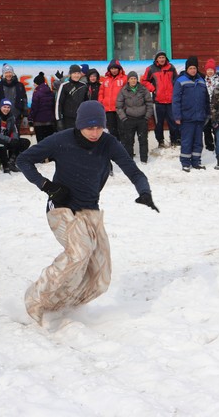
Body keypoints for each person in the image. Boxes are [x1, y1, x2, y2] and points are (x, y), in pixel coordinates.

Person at [15, 100, 159, 325]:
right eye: (89, 128)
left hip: (90, 210)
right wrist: (46, 186)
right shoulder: (61, 140)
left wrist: (144, 191)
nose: (95, 133)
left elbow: (133, 171)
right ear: (80, 125)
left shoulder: (108, 143)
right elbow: (23, 160)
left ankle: (63, 306)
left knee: (101, 276)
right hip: (62, 208)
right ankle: (36, 297)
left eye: (99, 127)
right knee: (80, 252)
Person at [172, 57, 210, 172]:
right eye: (191, 68)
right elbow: (176, 100)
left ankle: (196, 161)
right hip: (186, 117)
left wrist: (207, 113)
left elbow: (206, 99)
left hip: (200, 117)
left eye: (194, 68)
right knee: (187, 141)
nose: (193, 70)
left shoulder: (201, 81)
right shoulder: (180, 81)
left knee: (198, 141)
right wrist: (177, 116)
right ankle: (185, 163)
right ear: (187, 69)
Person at [142, 50, 180, 148]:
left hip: (171, 101)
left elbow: (177, 80)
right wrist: (153, 89)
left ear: (165, 58)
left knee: (173, 122)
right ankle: (161, 142)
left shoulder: (171, 68)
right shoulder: (151, 69)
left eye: (163, 57)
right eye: (160, 57)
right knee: (158, 123)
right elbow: (144, 81)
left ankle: (174, 141)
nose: (162, 59)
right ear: (156, 59)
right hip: (158, 101)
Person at [116, 71, 154, 163]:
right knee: (129, 141)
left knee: (143, 140)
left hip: (142, 119)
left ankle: (144, 160)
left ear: (137, 80)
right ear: (128, 80)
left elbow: (149, 103)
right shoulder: (123, 90)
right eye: (131, 79)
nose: (133, 80)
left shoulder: (143, 89)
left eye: (135, 78)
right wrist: (124, 118)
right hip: (129, 119)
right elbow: (118, 106)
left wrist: (147, 117)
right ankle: (129, 160)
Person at [0, 99, 30, 172]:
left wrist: (14, 139)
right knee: (2, 143)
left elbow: (14, 130)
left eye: (8, 107)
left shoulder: (11, 117)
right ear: (0, 107)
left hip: (5, 139)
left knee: (25, 142)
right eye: (4, 107)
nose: (6, 109)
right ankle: (6, 166)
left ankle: (11, 162)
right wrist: (9, 139)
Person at [99, 59, 127, 142]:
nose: (114, 70)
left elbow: (128, 93)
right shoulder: (106, 80)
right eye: (112, 68)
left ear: (119, 69)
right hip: (109, 110)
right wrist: (101, 102)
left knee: (122, 130)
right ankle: (115, 147)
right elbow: (101, 92)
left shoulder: (125, 79)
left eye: (115, 68)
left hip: (120, 109)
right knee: (112, 130)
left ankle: (124, 147)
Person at [55, 65, 88, 131]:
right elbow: (58, 103)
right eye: (74, 73)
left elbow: (86, 102)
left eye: (78, 73)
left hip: (80, 118)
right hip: (68, 119)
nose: (76, 75)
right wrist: (58, 120)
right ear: (70, 74)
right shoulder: (64, 86)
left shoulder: (83, 85)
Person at [29, 72, 56, 142]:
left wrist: (30, 118)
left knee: (41, 143)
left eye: (34, 83)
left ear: (38, 83)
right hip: (50, 121)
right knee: (49, 142)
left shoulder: (36, 93)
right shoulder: (51, 92)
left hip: (39, 122)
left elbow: (34, 108)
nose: (34, 84)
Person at [202, 58, 219, 152]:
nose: (210, 72)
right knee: (206, 127)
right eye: (208, 70)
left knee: (217, 128)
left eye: (211, 70)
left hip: (216, 108)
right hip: (206, 107)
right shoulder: (203, 81)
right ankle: (209, 146)